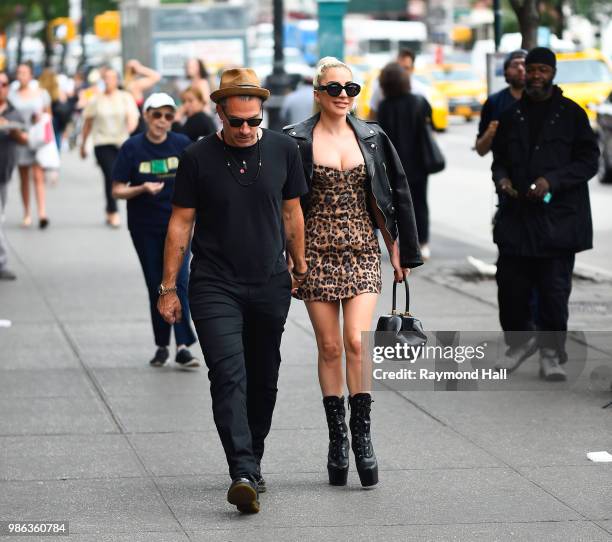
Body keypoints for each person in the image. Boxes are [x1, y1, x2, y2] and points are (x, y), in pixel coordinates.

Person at [158, 68, 308, 514]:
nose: (245, 129)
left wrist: (299, 266)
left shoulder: (283, 149)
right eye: (236, 121)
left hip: (269, 283)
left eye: (253, 121)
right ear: (219, 113)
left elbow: (292, 213)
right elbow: (181, 223)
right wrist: (168, 287)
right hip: (214, 284)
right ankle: (241, 470)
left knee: (264, 377)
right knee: (228, 375)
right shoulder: (197, 156)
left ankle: (253, 456)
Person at [284, 57, 422, 488]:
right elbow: (284, 206)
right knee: (328, 347)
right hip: (315, 254)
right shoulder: (294, 141)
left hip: (362, 250)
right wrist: (289, 258)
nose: (344, 95)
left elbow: (394, 194)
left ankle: (362, 435)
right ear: (317, 92)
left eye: (351, 88)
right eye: (334, 88)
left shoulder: (374, 137)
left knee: (355, 343)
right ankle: (337, 439)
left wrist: (400, 250)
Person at [491, 47, 599, 381]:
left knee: (554, 292)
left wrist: (551, 180)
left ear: (553, 73)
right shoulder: (512, 115)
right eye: (532, 70)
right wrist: (503, 179)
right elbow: (499, 160)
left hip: (558, 221)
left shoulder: (572, 114)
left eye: (543, 70)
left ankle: (551, 354)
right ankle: (520, 345)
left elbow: (588, 162)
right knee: (510, 289)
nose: (536, 75)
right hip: (517, 219)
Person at [111, 93, 199, 369]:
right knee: (156, 285)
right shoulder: (132, 148)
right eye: (157, 115)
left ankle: (183, 346)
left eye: (168, 116)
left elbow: (198, 183)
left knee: (180, 281)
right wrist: (141, 188)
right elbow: (116, 189)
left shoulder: (182, 145)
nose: (162, 121)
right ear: (146, 116)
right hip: (145, 226)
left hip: (178, 225)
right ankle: (162, 345)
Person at [377, 62, 434, 259]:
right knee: (420, 203)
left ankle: (400, 242)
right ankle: (422, 243)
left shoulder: (384, 107)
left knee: (395, 204)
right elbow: (430, 124)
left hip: (394, 164)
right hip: (418, 162)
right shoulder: (419, 102)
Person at [81, 68, 140, 228]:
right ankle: (113, 211)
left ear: (117, 80)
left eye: (111, 78)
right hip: (102, 142)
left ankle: (109, 207)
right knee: (111, 174)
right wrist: (83, 145)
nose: (108, 81)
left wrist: (130, 127)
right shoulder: (96, 99)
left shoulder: (124, 97)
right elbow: (88, 123)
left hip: (121, 142)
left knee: (119, 176)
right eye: (105, 78)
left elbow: (133, 116)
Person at [9, 62, 51, 228]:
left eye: (24, 72)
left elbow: (48, 115)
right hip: (19, 139)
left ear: (31, 74)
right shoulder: (11, 95)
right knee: (24, 177)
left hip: (37, 138)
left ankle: (42, 212)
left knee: (38, 176)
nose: (21, 76)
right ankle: (27, 212)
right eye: (19, 72)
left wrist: (40, 119)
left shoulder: (41, 94)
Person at [0, 70, 28, 280]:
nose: (1, 88)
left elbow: (24, 139)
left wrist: (13, 131)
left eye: (4, 84)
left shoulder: (13, 112)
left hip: (4, 172)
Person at [475, 49, 527, 156]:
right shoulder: (494, 102)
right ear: (505, 72)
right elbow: (481, 150)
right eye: (515, 65)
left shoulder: (542, 101)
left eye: (524, 64)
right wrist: (490, 133)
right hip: (503, 170)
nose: (520, 68)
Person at [369, 48, 429, 120]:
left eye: (406, 68)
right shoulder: (381, 89)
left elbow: (424, 121)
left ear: (412, 69)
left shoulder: (419, 91)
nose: (402, 72)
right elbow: (372, 116)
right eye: (399, 67)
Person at [124, 59, 162, 134]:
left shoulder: (127, 85)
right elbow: (156, 76)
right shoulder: (134, 85)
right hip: (136, 122)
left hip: (129, 122)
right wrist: (140, 69)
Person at [38, 68, 70, 151]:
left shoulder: (39, 91)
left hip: (44, 122)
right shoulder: (57, 91)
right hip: (56, 122)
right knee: (55, 146)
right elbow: (64, 105)